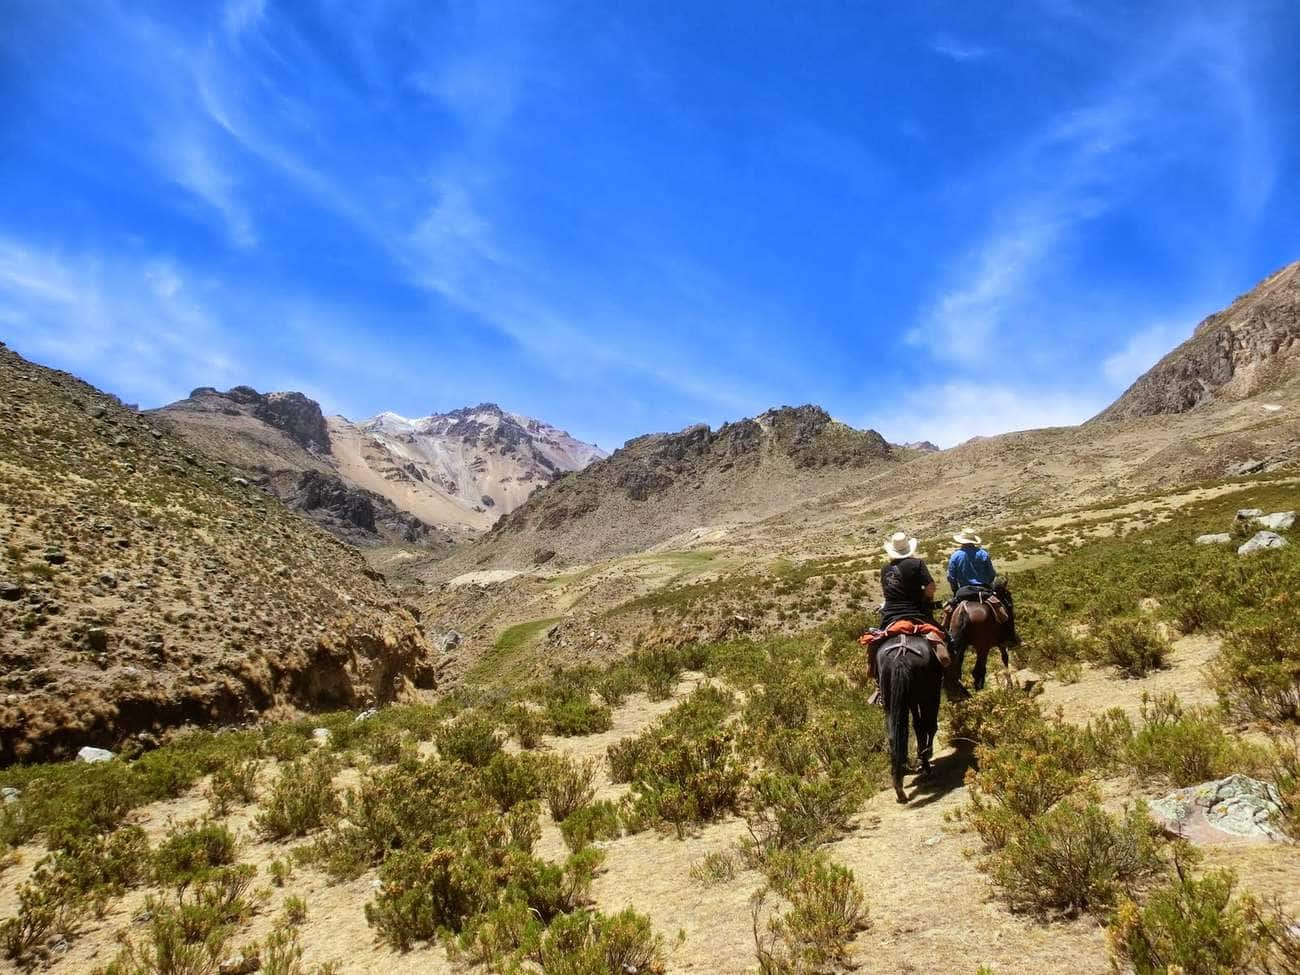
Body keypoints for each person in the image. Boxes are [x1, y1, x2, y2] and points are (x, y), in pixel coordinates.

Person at [946, 527, 1019, 644]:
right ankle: (1010, 636)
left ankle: (948, 639)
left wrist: (955, 592)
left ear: (961, 541)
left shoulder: (955, 556)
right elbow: (991, 574)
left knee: (947, 613)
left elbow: (951, 578)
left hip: (963, 591)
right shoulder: (983, 553)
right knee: (1006, 605)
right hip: (984, 590)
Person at [880, 531, 937, 628]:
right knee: (944, 636)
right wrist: (926, 598)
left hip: (890, 614)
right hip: (916, 611)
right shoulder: (917, 563)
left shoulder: (885, 568)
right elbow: (930, 588)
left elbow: (886, 590)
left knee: (878, 637)